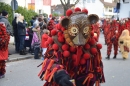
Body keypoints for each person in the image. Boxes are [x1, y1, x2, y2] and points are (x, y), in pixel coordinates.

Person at [38, 8, 105, 86]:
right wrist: (60, 74)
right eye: (75, 30)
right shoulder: (57, 41)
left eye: (85, 30)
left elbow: (96, 67)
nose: (80, 37)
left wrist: (87, 78)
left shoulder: (92, 45)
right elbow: (51, 59)